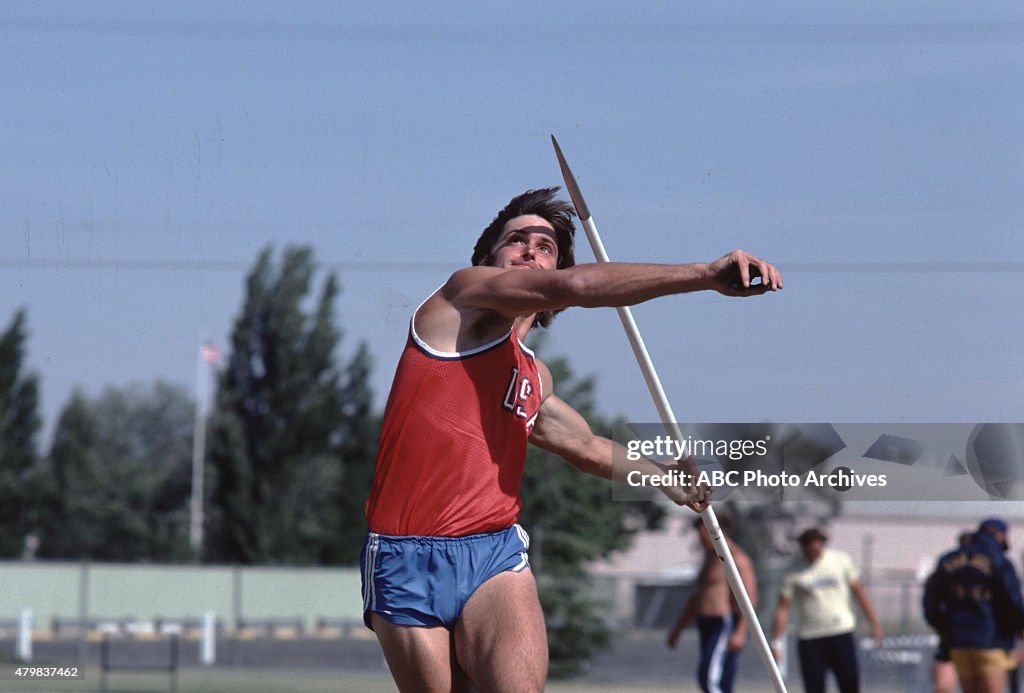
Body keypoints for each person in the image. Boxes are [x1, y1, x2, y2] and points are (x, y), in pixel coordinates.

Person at [360, 186, 783, 692]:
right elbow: (580, 284)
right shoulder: (458, 302)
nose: (529, 252)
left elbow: (585, 448)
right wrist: (703, 275)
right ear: (488, 259)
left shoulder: (533, 378)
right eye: (516, 241)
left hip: (492, 551)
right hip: (404, 555)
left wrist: (667, 479)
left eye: (545, 248)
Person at [770, 527, 883, 693]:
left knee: (849, 684)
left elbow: (859, 592)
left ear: (823, 545)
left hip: (840, 632)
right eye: (808, 551)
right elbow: (782, 609)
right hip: (810, 637)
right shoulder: (793, 571)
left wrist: (874, 623)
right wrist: (776, 641)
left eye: (816, 550)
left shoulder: (840, 561)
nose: (812, 555)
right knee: (814, 687)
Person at [923, 518, 1024, 693]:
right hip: (992, 641)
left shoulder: (948, 560)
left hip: (959, 641)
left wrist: (944, 628)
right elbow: (1012, 601)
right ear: (1000, 536)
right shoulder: (999, 561)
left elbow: (930, 601)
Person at [666, 512, 758, 693]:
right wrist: (678, 628)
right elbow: (696, 598)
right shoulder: (709, 559)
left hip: (723, 623)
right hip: (704, 622)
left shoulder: (738, 560)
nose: (701, 542)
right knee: (719, 678)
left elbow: (749, 599)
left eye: (703, 536)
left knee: (709, 678)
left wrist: (740, 631)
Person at [926, 530, 974, 693]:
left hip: (958, 635)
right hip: (966, 636)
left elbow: (930, 603)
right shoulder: (949, 569)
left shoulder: (947, 567)